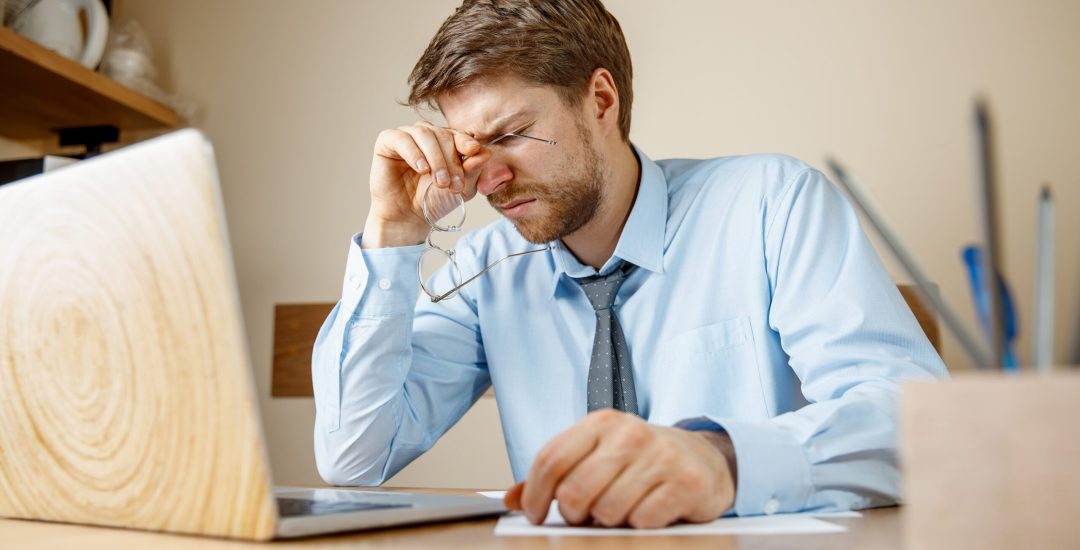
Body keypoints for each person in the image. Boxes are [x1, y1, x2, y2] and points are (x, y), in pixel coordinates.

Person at [312, 0, 947, 529]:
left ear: (601, 99)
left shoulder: (771, 205)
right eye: (473, 149)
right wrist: (393, 231)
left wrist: (722, 459)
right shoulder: (487, 271)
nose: (492, 177)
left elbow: (914, 426)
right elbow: (353, 459)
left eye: (509, 135)